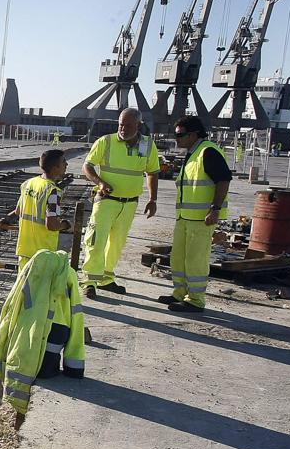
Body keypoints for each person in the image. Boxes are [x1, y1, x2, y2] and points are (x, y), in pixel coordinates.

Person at [0, 249, 85, 422]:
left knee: (21, 352)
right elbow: (77, 320)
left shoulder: (31, 269)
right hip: (56, 338)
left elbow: (9, 309)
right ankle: (20, 413)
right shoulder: (69, 274)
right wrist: (74, 369)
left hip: (28, 331)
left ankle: (18, 410)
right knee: (48, 358)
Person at [79, 108, 160, 298]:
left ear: (139, 125)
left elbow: (152, 172)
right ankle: (89, 280)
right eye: (121, 125)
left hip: (129, 203)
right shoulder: (106, 142)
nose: (123, 129)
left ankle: (106, 279)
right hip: (106, 201)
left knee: (116, 243)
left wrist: (153, 199)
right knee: (96, 240)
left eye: (128, 125)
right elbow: (87, 166)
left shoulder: (148, 145)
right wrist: (100, 182)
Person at [160, 116, 232, 313]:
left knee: (195, 260)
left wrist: (215, 209)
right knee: (179, 258)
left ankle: (195, 300)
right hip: (185, 217)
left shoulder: (207, 152)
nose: (177, 139)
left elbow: (224, 180)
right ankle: (180, 293)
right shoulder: (193, 153)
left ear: (193, 134)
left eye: (180, 135)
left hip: (201, 219)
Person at [12, 149, 70, 270]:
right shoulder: (52, 191)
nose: (66, 164)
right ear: (55, 168)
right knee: (39, 288)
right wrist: (65, 225)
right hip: (43, 253)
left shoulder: (28, 184)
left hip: (24, 248)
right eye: (63, 161)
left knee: (23, 287)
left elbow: (18, 211)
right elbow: (52, 225)